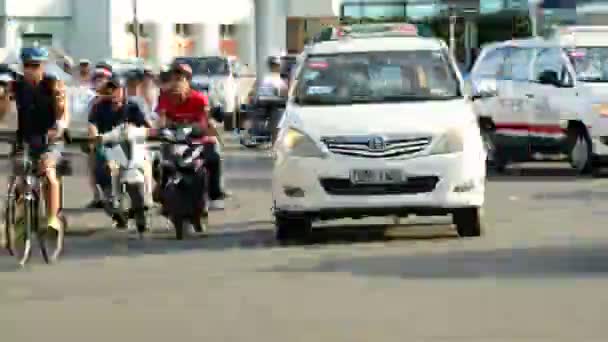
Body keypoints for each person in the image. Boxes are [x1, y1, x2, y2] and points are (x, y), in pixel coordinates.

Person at [0, 47, 69, 231]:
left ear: (43, 66)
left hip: (49, 139)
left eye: (35, 65)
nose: (31, 69)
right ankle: (20, 219)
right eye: (28, 65)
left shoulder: (52, 84)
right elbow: (3, 115)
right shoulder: (16, 86)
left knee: (48, 173)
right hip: (25, 139)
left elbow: (62, 115)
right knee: (19, 174)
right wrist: (4, 98)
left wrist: (60, 117)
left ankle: (53, 218)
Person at [156, 62, 226, 210]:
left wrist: (210, 132)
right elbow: (161, 120)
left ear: (188, 81)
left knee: (213, 156)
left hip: (197, 139)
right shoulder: (164, 98)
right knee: (161, 162)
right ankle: (162, 196)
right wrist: (159, 129)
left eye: (180, 78)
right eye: (173, 78)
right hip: (174, 139)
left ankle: (215, 194)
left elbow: (206, 121)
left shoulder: (199, 98)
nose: (176, 82)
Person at [88, 76, 149, 228]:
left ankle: (141, 209)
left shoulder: (132, 107)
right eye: (110, 89)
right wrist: (95, 136)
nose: (113, 92)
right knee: (102, 170)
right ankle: (112, 203)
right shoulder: (99, 107)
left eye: (116, 88)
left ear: (122, 90)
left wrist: (138, 131)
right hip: (109, 148)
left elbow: (147, 126)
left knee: (137, 173)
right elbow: (92, 125)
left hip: (132, 148)